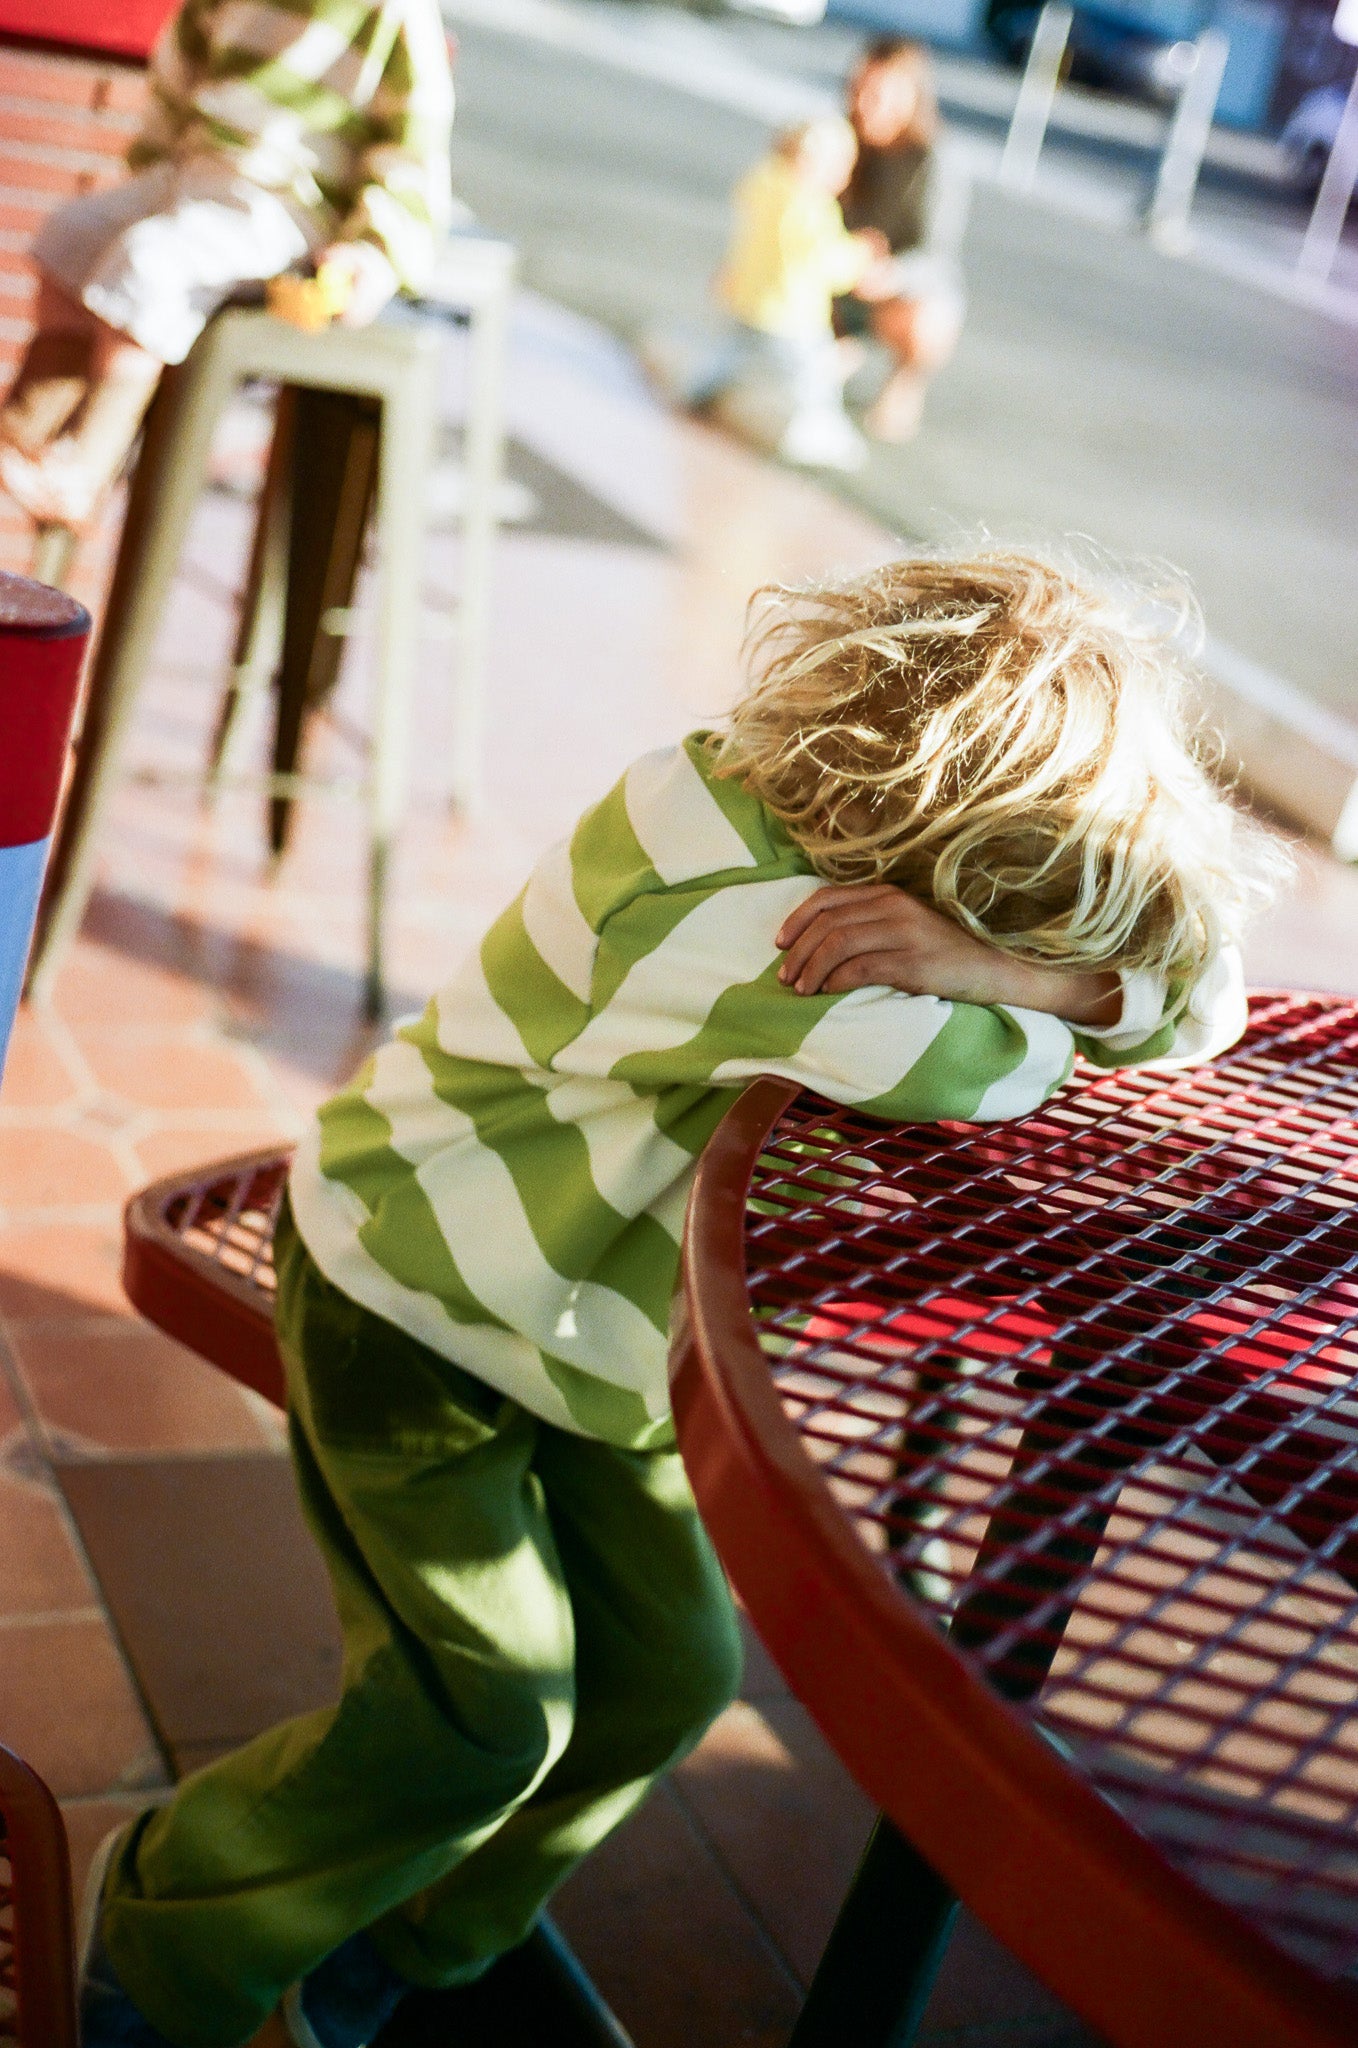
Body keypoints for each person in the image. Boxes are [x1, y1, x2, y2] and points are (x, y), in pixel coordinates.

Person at [79, 546, 1284, 2048]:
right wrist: (1020, 994)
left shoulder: (851, 850)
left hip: (592, 1338)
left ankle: (420, 1938)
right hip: (416, 1302)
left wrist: (1023, 971)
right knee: (477, 1715)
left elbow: (1204, 986)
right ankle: (166, 1938)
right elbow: (951, 1068)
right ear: (942, 842)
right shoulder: (738, 909)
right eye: (1009, 915)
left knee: (666, 1679)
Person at [0, 0, 454, 532]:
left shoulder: (395, 12)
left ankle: (86, 469)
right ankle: (25, 429)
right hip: (192, 168)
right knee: (70, 236)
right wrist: (150, 168)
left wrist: (372, 247)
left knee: (150, 263)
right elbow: (177, 77)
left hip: (289, 201)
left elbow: (413, 146)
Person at [688, 115, 888, 470]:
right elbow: (827, 262)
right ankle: (817, 431)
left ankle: (701, 388)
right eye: (842, 167)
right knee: (813, 378)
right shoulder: (813, 208)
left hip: (745, 302)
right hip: (792, 319)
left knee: (732, 354)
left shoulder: (764, 183)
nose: (844, 178)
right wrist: (861, 256)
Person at [839, 36, 969, 442]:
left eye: (878, 94)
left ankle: (904, 382)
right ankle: (837, 351)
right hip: (835, 279)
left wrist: (890, 274)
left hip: (892, 291)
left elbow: (937, 257)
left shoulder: (936, 159)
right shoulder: (840, 138)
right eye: (858, 89)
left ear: (912, 98)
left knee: (932, 318)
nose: (863, 104)